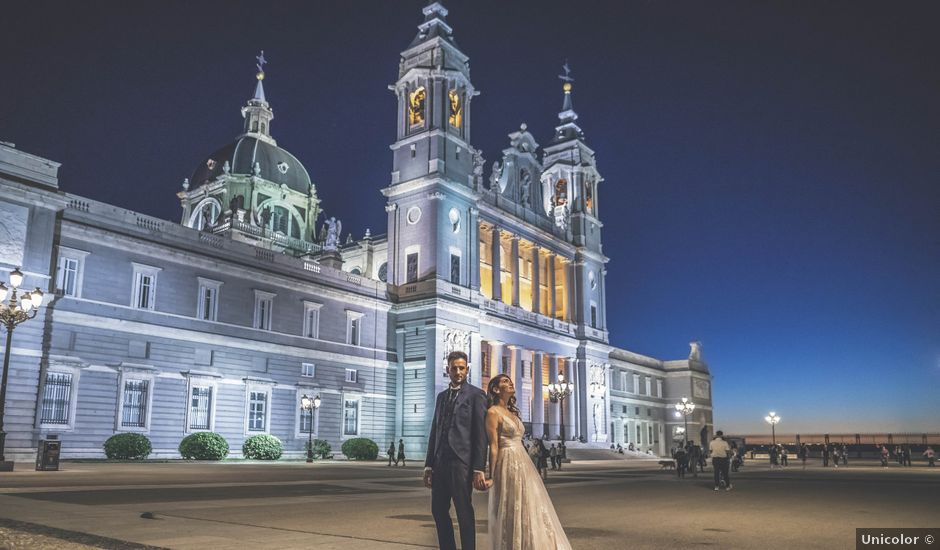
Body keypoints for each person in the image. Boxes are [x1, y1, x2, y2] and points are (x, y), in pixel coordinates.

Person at [485, 374, 572, 549]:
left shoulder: (514, 412)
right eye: (504, 382)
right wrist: (491, 475)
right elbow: (493, 446)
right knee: (511, 504)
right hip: (506, 460)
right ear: (495, 389)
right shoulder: (492, 412)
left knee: (529, 502)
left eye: (510, 380)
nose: (510, 383)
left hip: (523, 461)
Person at [424, 351, 488, 550]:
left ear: (467, 369)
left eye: (462, 368)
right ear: (447, 370)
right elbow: (435, 430)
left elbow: (480, 435)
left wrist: (479, 467)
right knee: (438, 510)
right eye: (454, 368)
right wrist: (428, 465)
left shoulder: (476, 395)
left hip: (461, 463)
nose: (458, 371)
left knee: (463, 511)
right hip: (440, 462)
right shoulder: (441, 397)